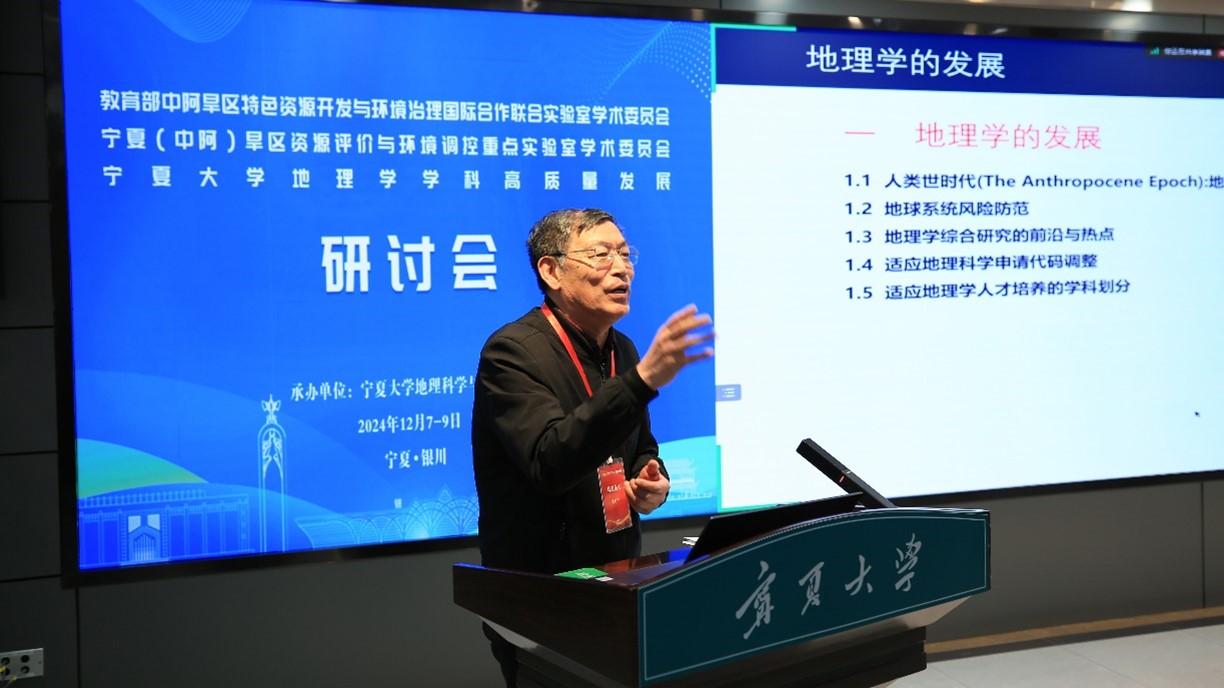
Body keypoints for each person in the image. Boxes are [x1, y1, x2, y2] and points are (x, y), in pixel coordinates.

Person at [470, 208, 714, 686]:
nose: (621, 268)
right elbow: (550, 461)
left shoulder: (622, 349)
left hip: (618, 581)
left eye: (625, 254)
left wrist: (652, 479)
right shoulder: (512, 353)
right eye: (601, 255)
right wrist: (641, 382)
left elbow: (641, 447)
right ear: (551, 271)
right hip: (542, 595)